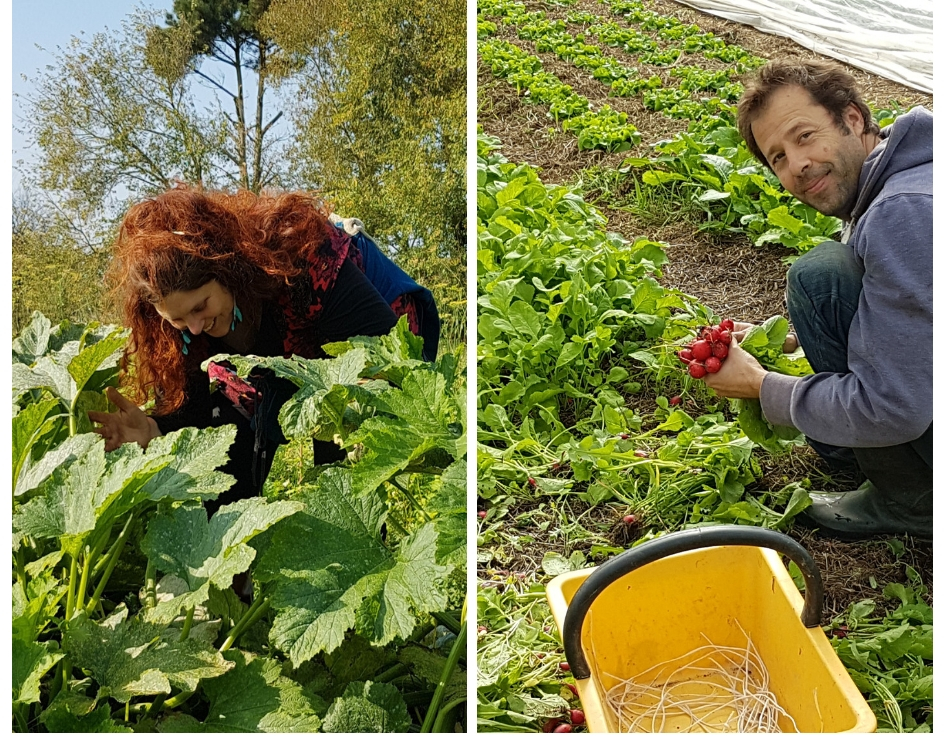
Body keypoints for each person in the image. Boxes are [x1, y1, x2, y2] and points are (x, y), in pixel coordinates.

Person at [89, 185, 440, 512]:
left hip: (368, 332)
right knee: (235, 428)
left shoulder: (307, 265)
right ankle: (231, 566)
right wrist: (154, 428)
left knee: (338, 450)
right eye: (178, 319)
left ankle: (354, 556)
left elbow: (386, 357)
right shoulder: (181, 329)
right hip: (289, 354)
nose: (194, 327)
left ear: (226, 271)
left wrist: (358, 410)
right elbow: (199, 414)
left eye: (200, 307)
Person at [700, 58, 932, 540]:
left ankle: (915, 503)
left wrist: (764, 387)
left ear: (851, 118)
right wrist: (785, 339)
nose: (797, 165)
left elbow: (894, 406)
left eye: (804, 136)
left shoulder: (902, 212)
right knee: (829, 280)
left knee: (819, 276)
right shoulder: (910, 172)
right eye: (778, 157)